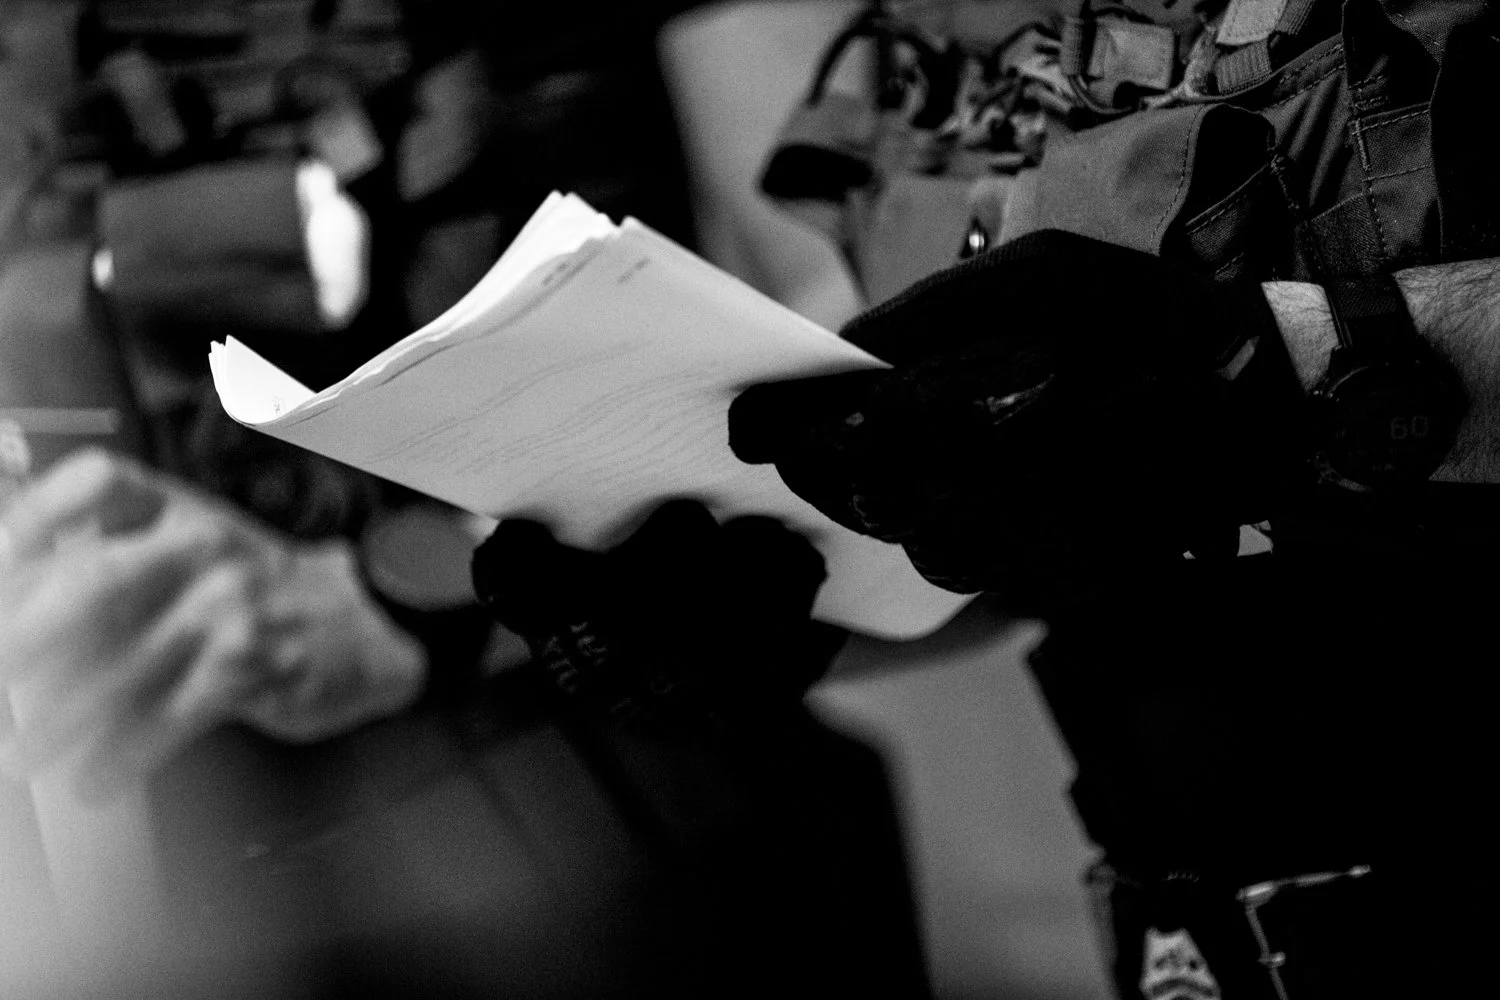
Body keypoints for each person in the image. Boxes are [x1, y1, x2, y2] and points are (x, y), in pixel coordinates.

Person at [711, 0, 1500, 996]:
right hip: (1189, 924)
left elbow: (1179, 411)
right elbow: (1068, 517)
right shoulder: (919, 36)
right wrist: (792, 601)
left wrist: (1286, 372)